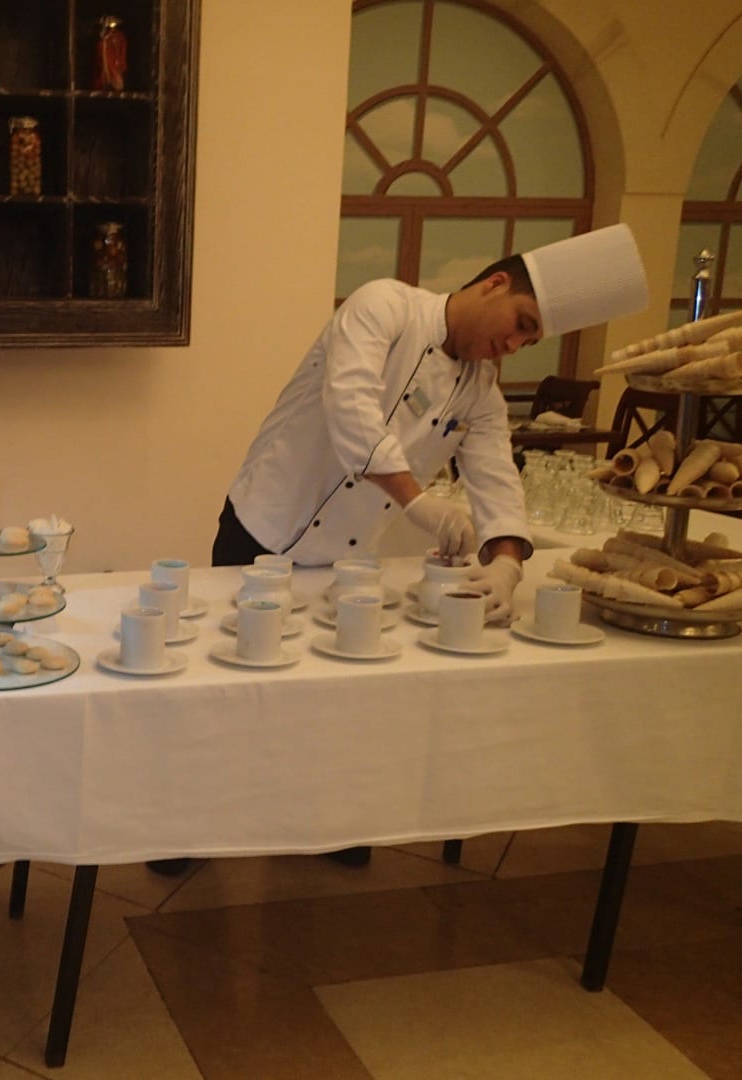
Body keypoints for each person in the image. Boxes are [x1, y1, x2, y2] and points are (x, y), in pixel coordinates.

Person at [148, 224, 648, 877]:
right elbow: (350, 407)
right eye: (521, 323)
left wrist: (506, 562)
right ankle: (183, 827)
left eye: (530, 341)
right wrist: (418, 502)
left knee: (332, 692)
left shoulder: (480, 392)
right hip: (263, 526)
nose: (514, 344)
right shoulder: (384, 305)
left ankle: (319, 821)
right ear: (494, 284)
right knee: (229, 686)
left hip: (346, 554)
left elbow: (497, 479)